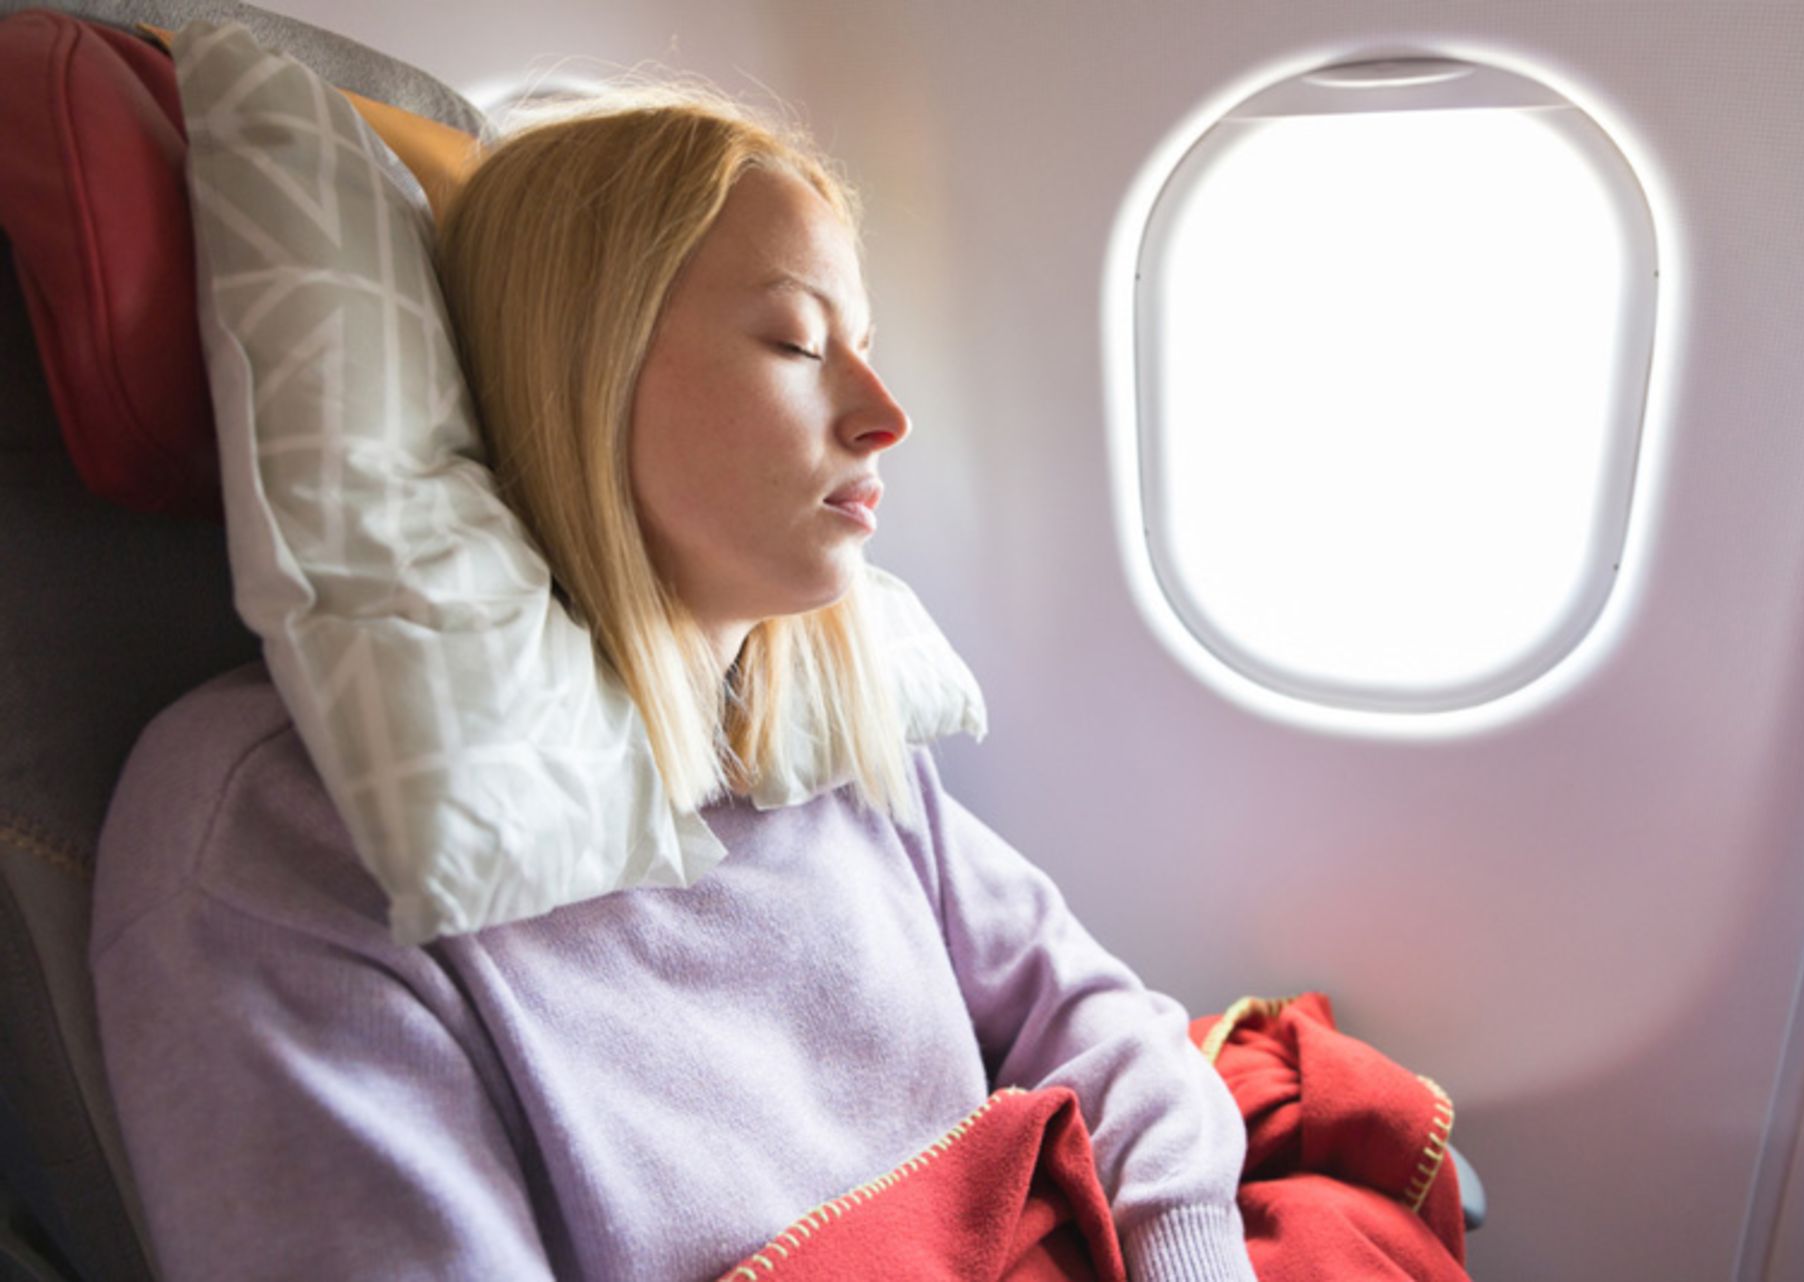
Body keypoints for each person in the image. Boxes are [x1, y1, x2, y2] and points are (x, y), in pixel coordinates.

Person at [89, 85, 1258, 1281]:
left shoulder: (813, 736)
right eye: (799, 343)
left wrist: (1186, 1252)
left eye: (869, 346)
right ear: (590, 371)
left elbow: (1104, 1021)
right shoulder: (283, 842)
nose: (883, 414)